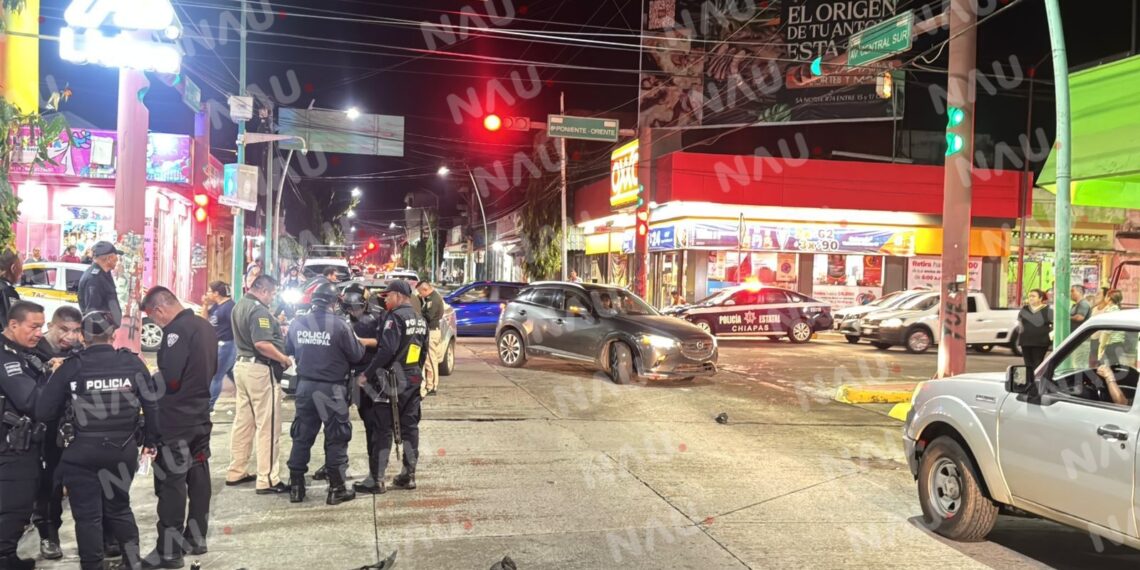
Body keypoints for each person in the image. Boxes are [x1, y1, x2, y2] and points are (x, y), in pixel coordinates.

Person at [36, 310, 161, 570]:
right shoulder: (133, 363)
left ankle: (92, 566)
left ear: (83, 336)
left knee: (87, 516)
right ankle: (132, 562)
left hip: (81, 452)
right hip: (123, 449)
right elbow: (152, 406)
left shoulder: (72, 366)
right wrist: (151, 441)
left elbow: (44, 411)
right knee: (119, 507)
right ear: (113, 335)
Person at [140, 287, 217, 568]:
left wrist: (152, 377)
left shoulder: (175, 332)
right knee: (198, 474)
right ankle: (196, 537)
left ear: (159, 310)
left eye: (153, 317)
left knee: (171, 482)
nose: (156, 323)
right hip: (200, 413)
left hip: (176, 419)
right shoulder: (204, 326)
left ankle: (169, 551)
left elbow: (171, 378)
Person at [285, 282, 364, 504]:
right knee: (336, 438)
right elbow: (356, 354)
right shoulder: (340, 325)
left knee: (301, 436)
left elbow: (287, 349)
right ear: (333, 302)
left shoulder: (297, 322)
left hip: (305, 388)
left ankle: (296, 487)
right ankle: (337, 488)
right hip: (332, 389)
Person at [356, 280, 427, 492]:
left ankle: (377, 479)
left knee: (382, 429)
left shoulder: (394, 318)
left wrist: (367, 375)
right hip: (413, 378)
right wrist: (415, 372)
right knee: (410, 427)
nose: (385, 299)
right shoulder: (420, 318)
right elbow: (423, 352)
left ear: (398, 296)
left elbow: (386, 351)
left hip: (391, 381)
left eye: (388, 296)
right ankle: (409, 474)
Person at [227, 275, 292, 494]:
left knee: (244, 422)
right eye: (272, 293)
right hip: (259, 370)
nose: (272, 298)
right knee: (268, 425)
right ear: (263, 290)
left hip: (242, 367)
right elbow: (262, 343)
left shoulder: (240, 306)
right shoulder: (259, 311)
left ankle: (236, 470)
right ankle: (268, 478)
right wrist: (283, 359)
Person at [29, 306, 83, 561]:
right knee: (48, 487)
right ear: (51, 325)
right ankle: (48, 536)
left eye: (75, 331)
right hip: (46, 432)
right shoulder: (34, 352)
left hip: (76, 429)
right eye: (64, 329)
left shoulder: (79, 353)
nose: (70, 336)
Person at [0, 301, 48, 570]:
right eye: (34, 326)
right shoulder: (5, 357)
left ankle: (7, 556)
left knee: (18, 505)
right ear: (14, 325)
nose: (39, 333)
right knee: (14, 505)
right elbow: (29, 399)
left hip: (21, 442)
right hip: (12, 444)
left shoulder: (23, 351)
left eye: (41, 326)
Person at [344, 289, 385, 494]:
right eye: (351, 308)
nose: (354, 311)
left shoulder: (376, 318)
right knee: (339, 425)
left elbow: (383, 344)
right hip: (350, 378)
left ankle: (376, 476)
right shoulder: (341, 319)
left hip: (369, 378)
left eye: (357, 307)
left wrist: (360, 342)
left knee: (374, 428)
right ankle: (335, 467)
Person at [202, 282, 236, 414]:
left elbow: (236, 326)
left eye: (209, 291)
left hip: (226, 345)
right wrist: (205, 305)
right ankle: (251, 397)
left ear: (216, 293)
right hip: (218, 344)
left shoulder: (229, 307)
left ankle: (209, 405)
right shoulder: (217, 306)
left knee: (216, 376)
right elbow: (205, 320)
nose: (207, 294)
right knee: (231, 373)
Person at [78, 240, 123, 328]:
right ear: (109, 258)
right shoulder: (94, 279)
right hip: (100, 333)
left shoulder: (104, 273)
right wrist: (105, 332)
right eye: (116, 256)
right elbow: (93, 312)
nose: (117, 259)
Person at [415, 281, 444, 398]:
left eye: (420, 292)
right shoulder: (429, 299)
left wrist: (419, 314)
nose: (420, 295)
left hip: (432, 331)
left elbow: (428, 316)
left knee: (432, 360)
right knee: (427, 360)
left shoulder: (434, 299)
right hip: (430, 331)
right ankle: (429, 384)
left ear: (425, 289)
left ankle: (433, 386)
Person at [1017, 289, 1053, 373]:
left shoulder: (1048, 310)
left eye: (1033, 296)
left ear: (1040, 298)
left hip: (1040, 342)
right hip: (1025, 341)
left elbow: (1053, 325)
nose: (1031, 298)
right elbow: (1020, 323)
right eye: (1029, 296)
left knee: (1037, 363)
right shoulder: (1024, 309)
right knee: (1028, 364)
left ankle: (1036, 382)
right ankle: (1029, 382)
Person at [0, 251, 22, 332]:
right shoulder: (7, 291)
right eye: (21, 267)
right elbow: (12, 326)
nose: (22, 272)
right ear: (13, 268)